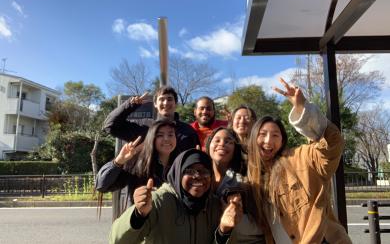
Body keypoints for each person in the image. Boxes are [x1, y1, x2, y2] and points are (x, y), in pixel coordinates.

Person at [247, 78, 352, 243]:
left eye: (275, 135)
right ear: (253, 139)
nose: (268, 141)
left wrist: (302, 107)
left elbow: (331, 145)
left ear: (282, 141)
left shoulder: (299, 158)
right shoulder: (251, 176)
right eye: (262, 134)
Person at [109, 149, 243, 244]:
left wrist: (224, 230)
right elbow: (117, 241)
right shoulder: (158, 201)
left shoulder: (215, 206)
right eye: (189, 170)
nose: (198, 176)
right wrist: (138, 215)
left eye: (205, 171)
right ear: (177, 174)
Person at [95, 119, 177, 206]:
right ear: (151, 138)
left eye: (171, 134)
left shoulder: (182, 164)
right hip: (142, 217)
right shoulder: (137, 164)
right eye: (160, 135)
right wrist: (118, 161)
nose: (167, 139)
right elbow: (101, 186)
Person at [206, 127, 266, 243]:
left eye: (228, 141)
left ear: (235, 149)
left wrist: (235, 217)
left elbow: (259, 227)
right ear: (209, 145)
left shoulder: (244, 182)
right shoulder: (199, 177)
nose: (222, 144)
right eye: (217, 140)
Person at [103, 86, 199, 154]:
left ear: (176, 103)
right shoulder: (143, 125)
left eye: (170, 99)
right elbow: (109, 126)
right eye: (161, 99)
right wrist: (130, 105)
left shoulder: (188, 131)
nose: (165, 103)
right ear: (155, 104)